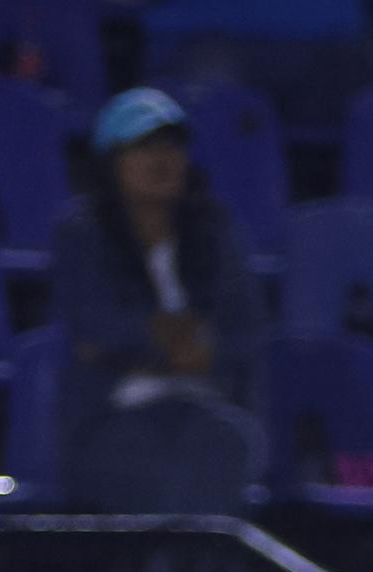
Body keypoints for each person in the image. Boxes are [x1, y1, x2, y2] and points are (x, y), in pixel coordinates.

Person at [47, 91, 267, 513]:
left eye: (172, 146)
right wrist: (166, 341)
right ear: (112, 161)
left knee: (224, 443)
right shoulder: (80, 234)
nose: (162, 159)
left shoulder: (217, 232)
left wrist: (196, 351)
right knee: (169, 458)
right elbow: (93, 329)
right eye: (145, 146)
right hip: (112, 416)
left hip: (207, 408)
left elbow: (244, 331)